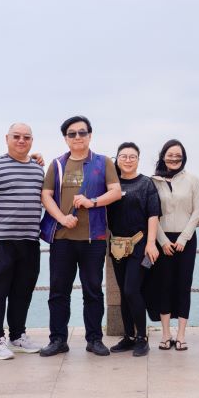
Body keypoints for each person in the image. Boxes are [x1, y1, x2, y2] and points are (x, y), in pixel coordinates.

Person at [39, 115, 122, 357]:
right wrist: (62, 218)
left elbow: (116, 192)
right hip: (62, 238)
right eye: (72, 134)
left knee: (93, 291)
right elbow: (46, 195)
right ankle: (58, 339)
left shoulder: (103, 162)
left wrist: (91, 201)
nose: (78, 137)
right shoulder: (57, 164)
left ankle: (94, 339)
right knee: (58, 292)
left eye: (82, 132)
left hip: (93, 239)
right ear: (66, 138)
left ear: (90, 135)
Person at [0, 123, 45, 360]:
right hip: (1, 240)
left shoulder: (38, 169)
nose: (21, 141)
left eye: (26, 137)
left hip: (30, 240)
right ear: (7, 138)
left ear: (32, 140)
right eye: (16, 136)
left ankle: (17, 335)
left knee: (23, 291)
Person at [148, 139, 199, 351]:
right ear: (163, 156)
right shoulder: (153, 181)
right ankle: (165, 334)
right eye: (170, 155)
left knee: (183, 285)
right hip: (161, 240)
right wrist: (162, 241)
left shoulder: (192, 180)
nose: (174, 158)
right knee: (163, 285)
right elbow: (151, 213)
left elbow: (198, 210)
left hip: (186, 240)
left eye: (178, 155)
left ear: (184, 157)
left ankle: (181, 334)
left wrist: (183, 238)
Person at [106, 143, 161, 357]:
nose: (128, 160)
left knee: (132, 290)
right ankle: (128, 336)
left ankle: (141, 338)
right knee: (123, 292)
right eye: (123, 156)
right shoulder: (111, 185)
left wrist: (151, 243)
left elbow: (153, 214)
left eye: (132, 156)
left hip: (139, 243)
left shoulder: (146, 184)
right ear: (117, 159)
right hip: (117, 245)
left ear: (138, 159)